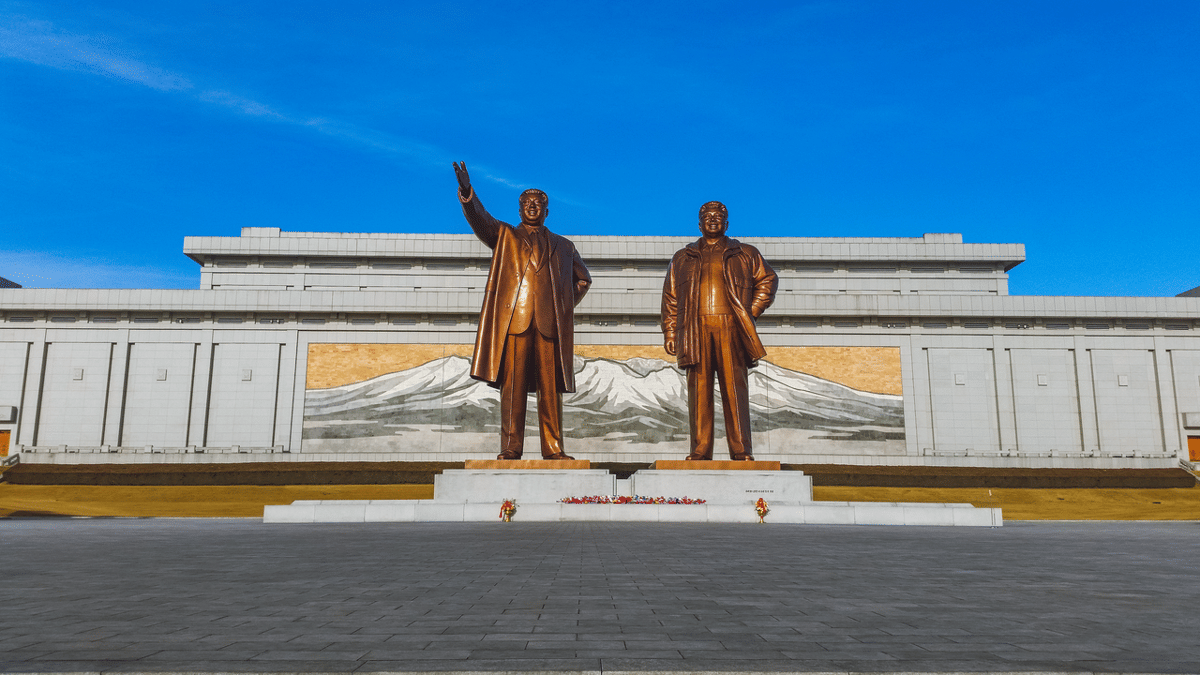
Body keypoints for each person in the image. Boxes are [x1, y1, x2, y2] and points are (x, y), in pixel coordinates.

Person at [453, 161, 591, 460]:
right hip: (515, 322)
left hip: (549, 326)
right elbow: (480, 219)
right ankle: (511, 447)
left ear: (546, 210)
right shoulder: (505, 236)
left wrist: (562, 307)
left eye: (538, 203)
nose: (532, 207)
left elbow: (583, 280)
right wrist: (467, 192)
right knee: (512, 388)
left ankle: (554, 449)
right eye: (526, 203)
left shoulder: (564, 246)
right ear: (519, 210)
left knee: (550, 390)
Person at [661, 201, 778, 460]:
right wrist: (670, 332)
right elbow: (670, 297)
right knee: (699, 391)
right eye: (707, 216)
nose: (712, 219)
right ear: (699, 223)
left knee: (735, 389)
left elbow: (768, 280)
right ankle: (701, 450)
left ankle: (741, 450)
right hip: (694, 328)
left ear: (727, 223)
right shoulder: (683, 257)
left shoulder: (745, 252)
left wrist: (750, 312)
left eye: (718, 216)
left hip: (731, 328)